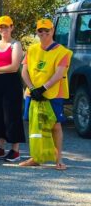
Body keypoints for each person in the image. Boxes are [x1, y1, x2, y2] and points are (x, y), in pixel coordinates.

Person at [19, 18, 72, 170]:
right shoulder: (32, 49)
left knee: (55, 125)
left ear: (52, 31)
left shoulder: (62, 52)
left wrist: (42, 89)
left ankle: (58, 159)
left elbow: (59, 74)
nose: (43, 33)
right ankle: (36, 157)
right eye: (40, 30)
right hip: (33, 93)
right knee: (35, 125)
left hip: (53, 94)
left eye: (46, 30)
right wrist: (32, 88)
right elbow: (24, 70)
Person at [0, 15, 25, 162]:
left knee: (12, 116)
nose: (4, 29)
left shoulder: (16, 44)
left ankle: (15, 150)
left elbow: (14, 67)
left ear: (12, 27)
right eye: (1, 27)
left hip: (11, 83)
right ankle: (0, 148)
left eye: (6, 26)